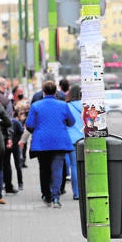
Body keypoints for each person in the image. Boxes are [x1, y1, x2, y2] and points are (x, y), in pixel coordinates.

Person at [25, 80, 75, 208]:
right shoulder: (63, 105)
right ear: (56, 92)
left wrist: (37, 129)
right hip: (59, 141)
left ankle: (47, 195)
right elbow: (71, 122)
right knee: (57, 170)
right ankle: (56, 197)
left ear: (43, 92)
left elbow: (29, 125)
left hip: (41, 143)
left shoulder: (36, 106)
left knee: (44, 169)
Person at [0, 77, 17, 194]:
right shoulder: (6, 101)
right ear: (3, 87)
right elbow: (9, 121)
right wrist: (10, 138)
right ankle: (8, 186)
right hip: (2, 136)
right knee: (6, 162)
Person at [66, 85, 83, 201]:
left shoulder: (67, 106)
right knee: (86, 166)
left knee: (74, 167)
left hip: (71, 140)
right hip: (85, 139)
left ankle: (76, 193)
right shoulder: (86, 106)